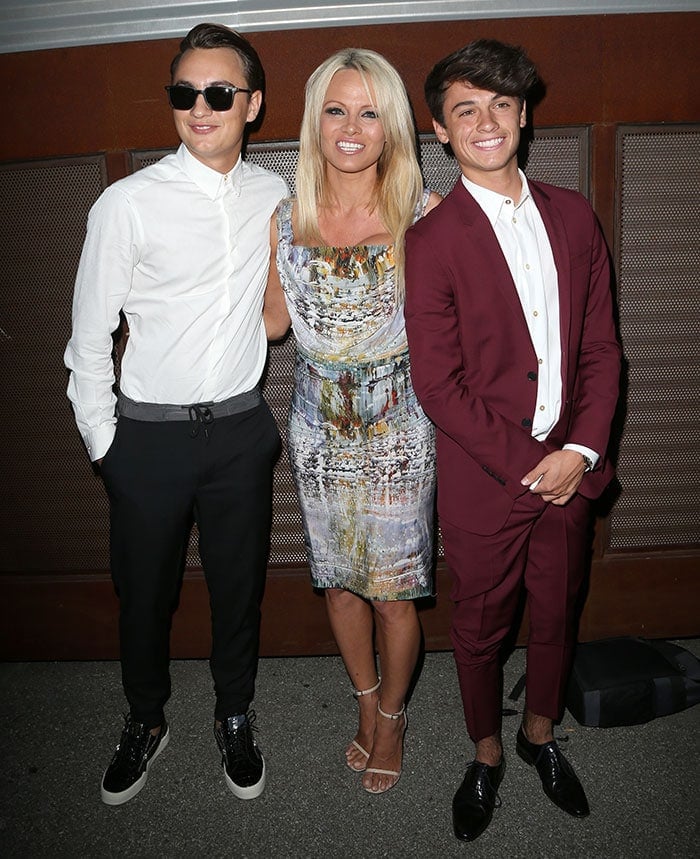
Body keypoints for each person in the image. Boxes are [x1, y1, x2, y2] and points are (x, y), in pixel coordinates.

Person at [64, 23, 287, 806]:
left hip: (238, 431)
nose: (201, 107)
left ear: (252, 105)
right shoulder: (126, 204)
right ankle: (145, 719)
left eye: (219, 93)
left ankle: (234, 712)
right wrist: (108, 446)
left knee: (239, 587)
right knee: (144, 594)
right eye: (184, 93)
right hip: (146, 439)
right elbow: (87, 337)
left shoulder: (275, 194)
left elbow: (281, 309)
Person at [403, 39, 621, 841]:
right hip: (488, 481)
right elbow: (440, 388)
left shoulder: (574, 215)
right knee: (480, 626)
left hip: (573, 463)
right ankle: (487, 752)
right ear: (441, 128)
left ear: (524, 114)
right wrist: (540, 468)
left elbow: (601, 347)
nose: (486, 122)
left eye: (501, 104)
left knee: (559, 611)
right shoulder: (429, 242)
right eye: (466, 109)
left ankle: (539, 736)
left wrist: (583, 452)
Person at [263, 48, 440, 794]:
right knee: (339, 583)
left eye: (370, 111)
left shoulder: (424, 214)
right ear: (315, 119)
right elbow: (274, 324)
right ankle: (364, 702)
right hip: (316, 429)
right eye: (336, 108)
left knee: (394, 591)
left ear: (392, 125)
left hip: (397, 428)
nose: (351, 125)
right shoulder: (283, 213)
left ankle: (394, 716)